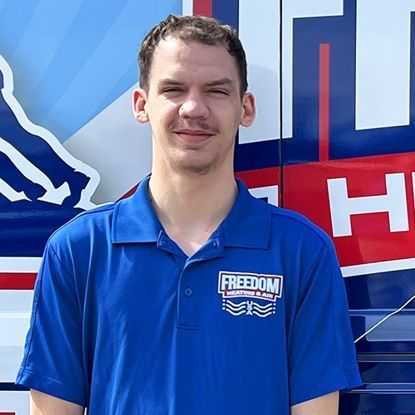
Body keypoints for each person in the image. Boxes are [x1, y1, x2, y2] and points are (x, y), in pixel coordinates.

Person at [16, 14, 362, 415]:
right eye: (174, 89)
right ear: (142, 104)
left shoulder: (302, 251)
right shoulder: (79, 250)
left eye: (216, 91)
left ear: (245, 108)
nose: (194, 108)